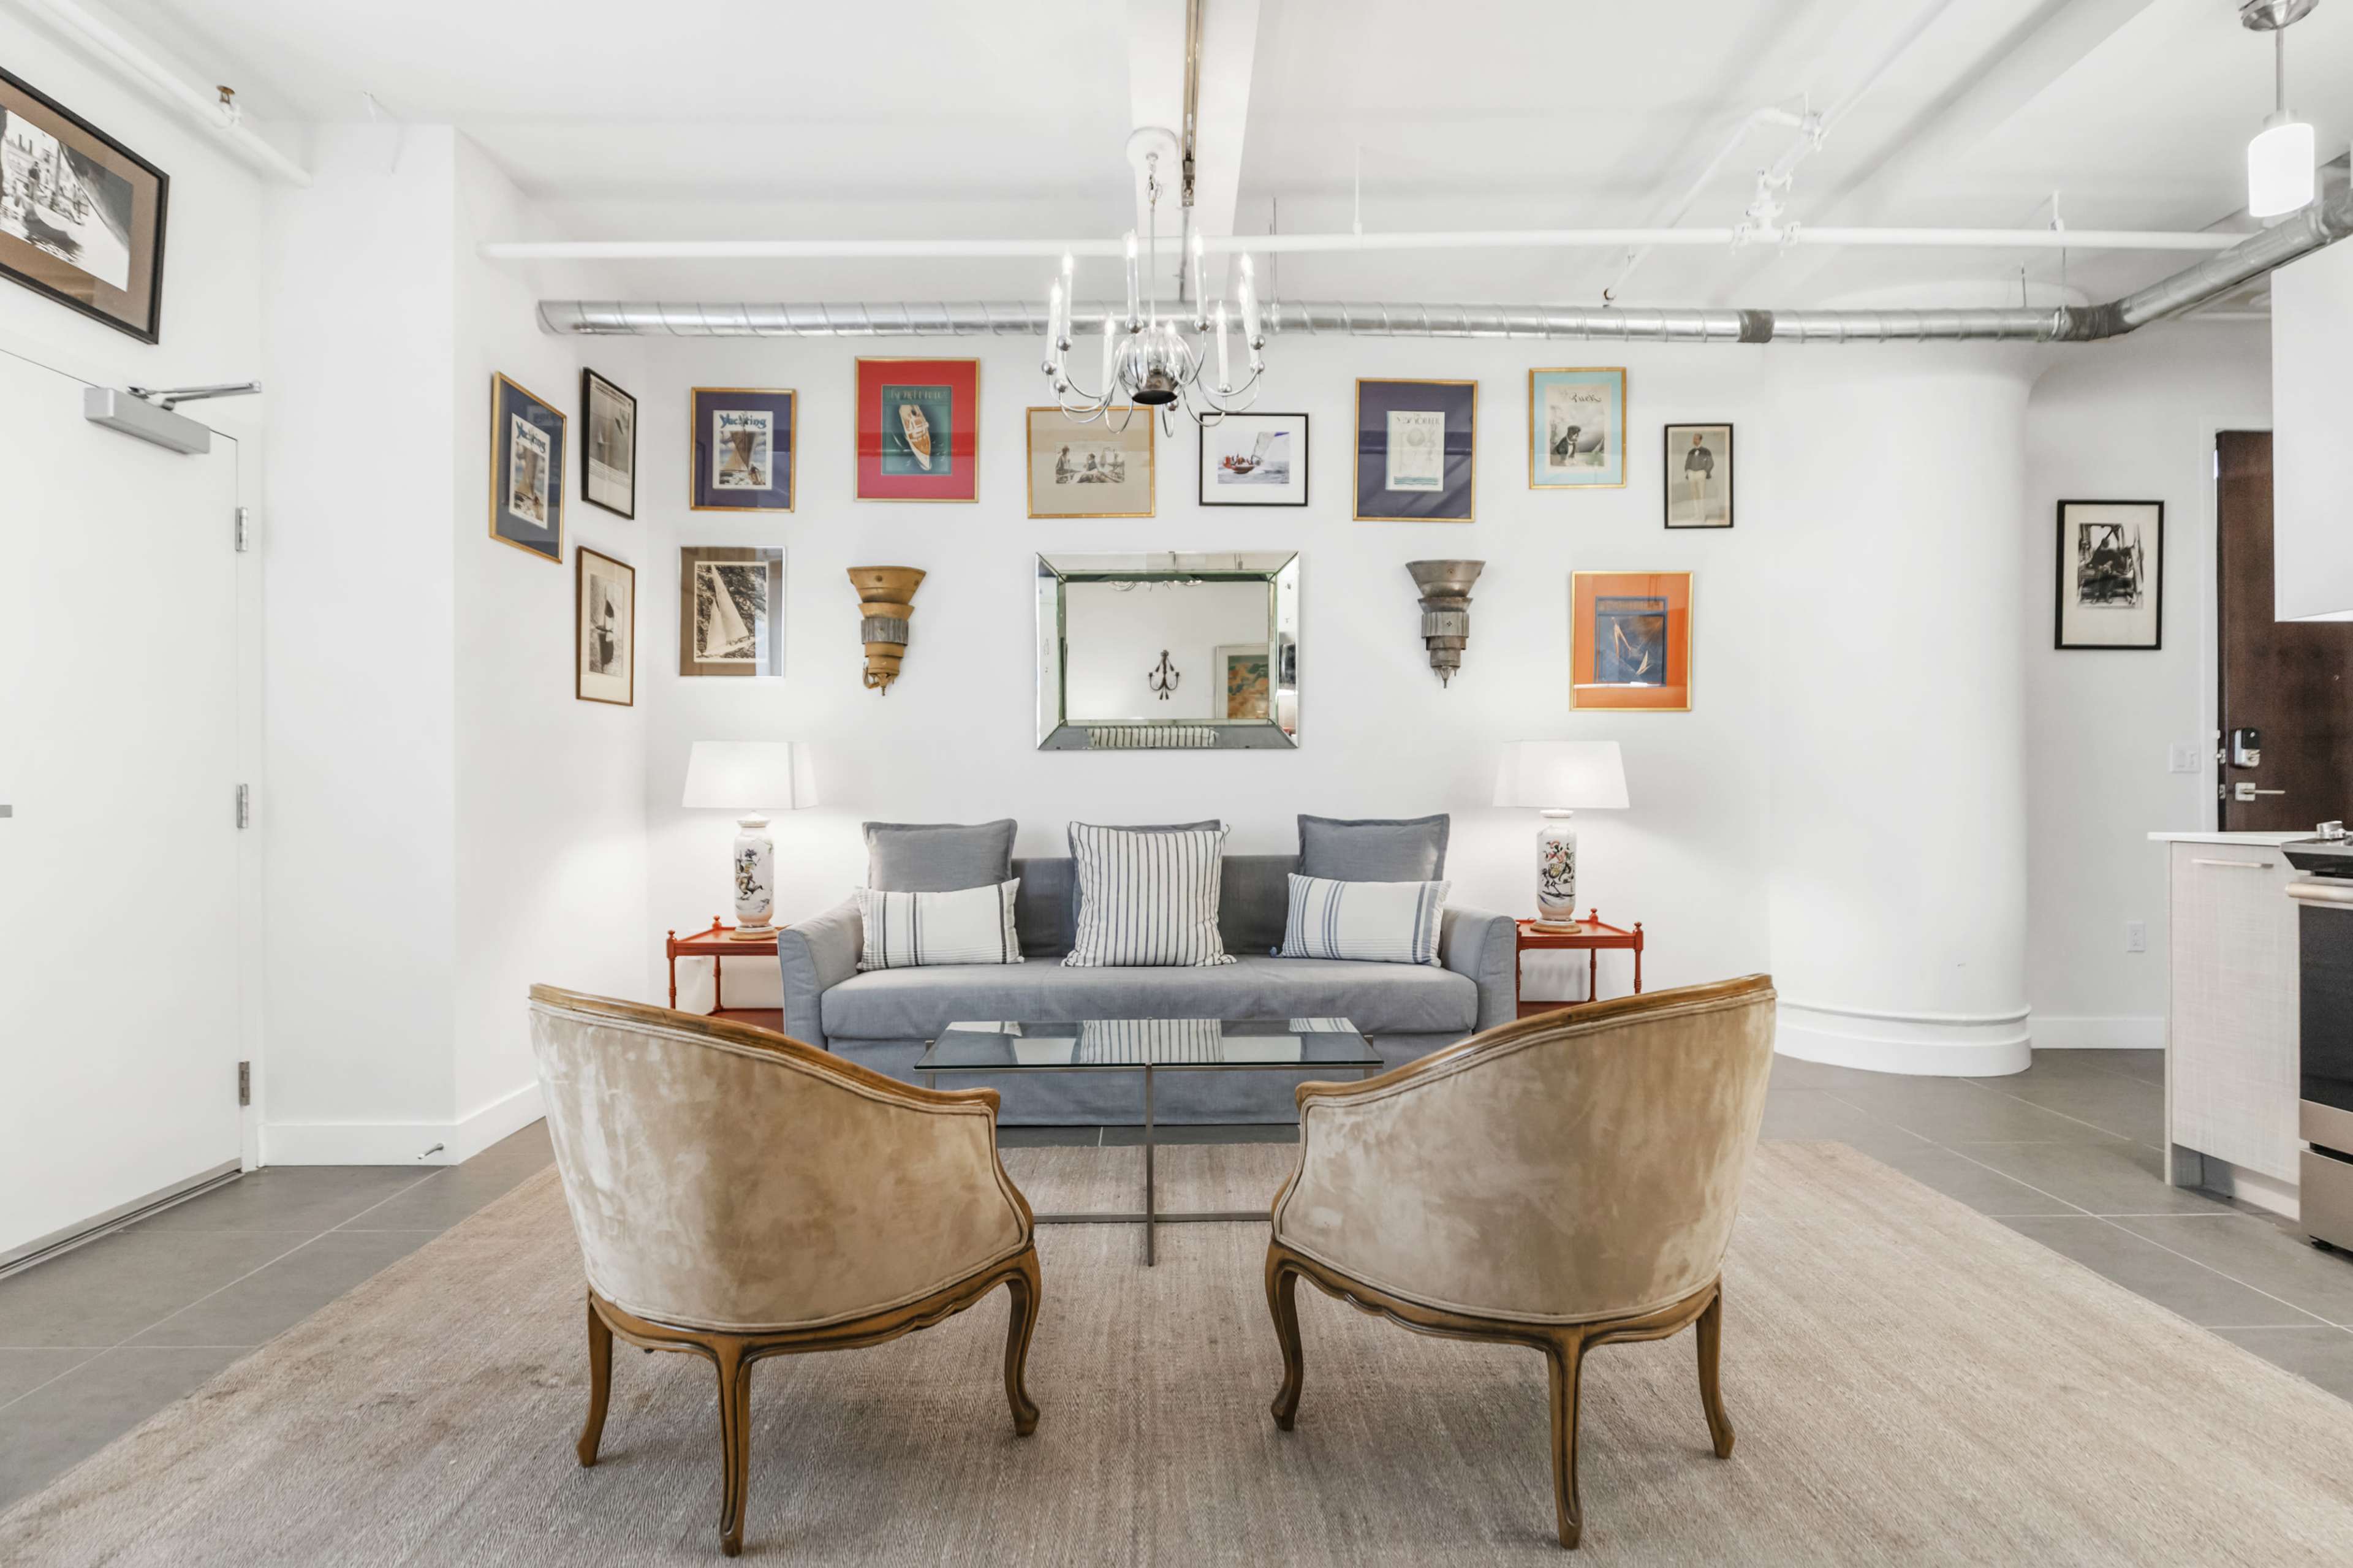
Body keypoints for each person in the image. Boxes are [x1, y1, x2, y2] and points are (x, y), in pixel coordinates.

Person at [1683, 430, 1715, 521]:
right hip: (1692, 475)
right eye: (1694, 439)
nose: (1695, 440)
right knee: (1694, 496)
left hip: (1701, 474)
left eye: (1696, 439)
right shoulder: (1691, 452)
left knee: (1702, 495)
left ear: (1700, 440)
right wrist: (1688, 471)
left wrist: (1705, 472)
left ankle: (1703, 516)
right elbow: (1687, 463)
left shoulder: (1706, 451)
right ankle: (1697, 515)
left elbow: (1711, 463)